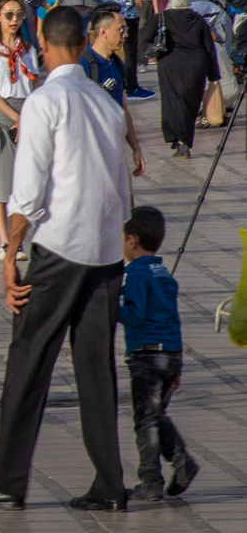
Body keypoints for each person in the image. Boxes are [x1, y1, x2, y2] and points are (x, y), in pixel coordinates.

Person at [0, 7, 133, 512]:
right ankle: (109, 482)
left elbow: (26, 191)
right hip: (104, 250)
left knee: (29, 358)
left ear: (43, 42)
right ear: (82, 43)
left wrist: (10, 253)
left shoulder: (43, 101)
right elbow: (123, 188)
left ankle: (8, 477)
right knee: (97, 367)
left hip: (59, 246)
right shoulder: (105, 102)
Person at [119, 206, 198, 501]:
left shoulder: (137, 274)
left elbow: (135, 316)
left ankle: (150, 481)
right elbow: (173, 318)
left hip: (146, 355)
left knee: (146, 420)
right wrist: (177, 367)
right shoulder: (164, 273)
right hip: (170, 353)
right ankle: (182, 462)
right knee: (156, 414)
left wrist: (109, 310)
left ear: (131, 240)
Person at [0, 0, 38, 259]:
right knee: (1, 182)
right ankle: (6, 242)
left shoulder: (28, 50)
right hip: (3, 117)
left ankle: (23, 239)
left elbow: (34, 87)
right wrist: (16, 119)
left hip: (27, 116)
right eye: (9, 15)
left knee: (28, 182)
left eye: (19, 15)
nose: (14, 20)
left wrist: (28, 118)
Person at [141, 0, 217, 158]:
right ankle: (181, 141)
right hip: (196, 67)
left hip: (170, 64)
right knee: (190, 104)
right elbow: (209, 48)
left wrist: (147, 55)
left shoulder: (162, 17)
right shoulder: (198, 19)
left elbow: (144, 36)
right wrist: (214, 75)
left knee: (173, 102)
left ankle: (180, 143)